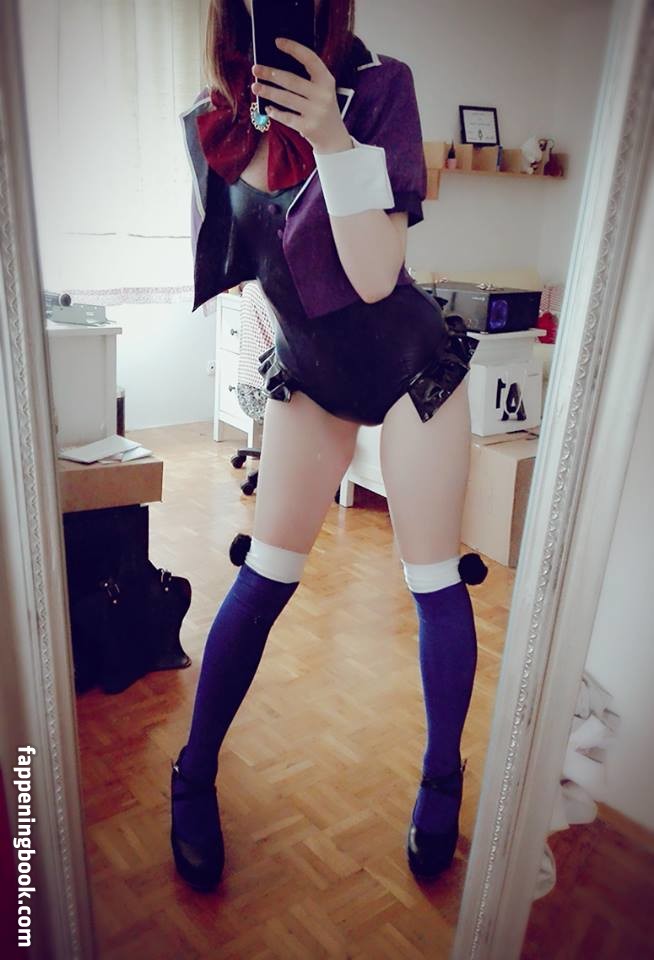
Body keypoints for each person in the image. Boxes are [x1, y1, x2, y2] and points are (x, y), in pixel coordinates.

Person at [171, 0, 488, 891]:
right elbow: (239, 263)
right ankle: (192, 773)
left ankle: (441, 778)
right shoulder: (210, 122)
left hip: (412, 366)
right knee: (263, 576)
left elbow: (377, 275)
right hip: (310, 376)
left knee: (434, 581)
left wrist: (333, 139)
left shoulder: (382, 91)